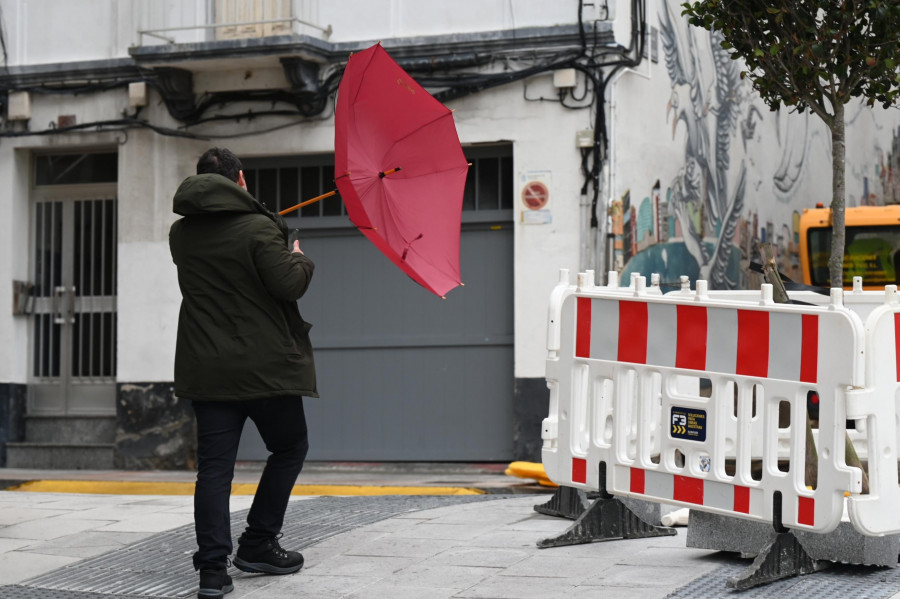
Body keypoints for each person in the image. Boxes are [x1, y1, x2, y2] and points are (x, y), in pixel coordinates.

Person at [169, 147, 317, 599]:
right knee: (289, 447)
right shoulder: (259, 227)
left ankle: (212, 572)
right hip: (264, 367)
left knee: (214, 471)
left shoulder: (180, 234)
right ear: (241, 180)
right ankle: (257, 542)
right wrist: (297, 255)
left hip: (207, 368)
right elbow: (287, 284)